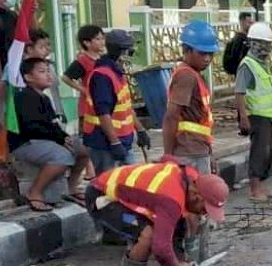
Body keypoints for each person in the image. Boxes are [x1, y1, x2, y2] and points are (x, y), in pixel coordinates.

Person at [86, 160, 228, 266]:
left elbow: (168, 158)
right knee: (148, 235)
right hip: (102, 196)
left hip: (131, 195)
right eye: (205, 208)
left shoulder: (191, 177)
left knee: (190, 218)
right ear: (195, 195)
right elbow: (160, 247)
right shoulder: (170, 200)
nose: (205, 212)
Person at [10, 58, 90, 211]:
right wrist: (59, 139)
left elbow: (53, 125)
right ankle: (35, 192)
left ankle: (71, 188)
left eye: (48, 71)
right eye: (41, 72)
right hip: (26, 143)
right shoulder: (24, 97)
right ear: (28, 77)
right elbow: (32, 127)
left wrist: (64, 137)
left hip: (45, 140)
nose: (48, 75)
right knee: (62, 157)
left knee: (84, 150)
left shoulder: (44, 98)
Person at [83, 30, 151, 172]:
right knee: (107, 186)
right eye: (129, 51)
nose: (130, 56)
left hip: (123, 139)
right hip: (104, 142)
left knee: (129, 182)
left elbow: (126, 107)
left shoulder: (117, 73)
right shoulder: (102, 76)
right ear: (122, 51)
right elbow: (103, 113)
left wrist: (140, 130)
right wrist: (114, 142)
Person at [164, 20, 218, 175]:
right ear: (187, 50)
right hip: (189, 150)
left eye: (210, 54)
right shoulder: (187, 76)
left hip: (198, 147)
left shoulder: (194, 74)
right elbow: (171, 116)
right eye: (202, 53)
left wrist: (209, 152)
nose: (207, 58)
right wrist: (168, 155)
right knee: (197, 196)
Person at [235, 22, 272, 201]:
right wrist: (243, 118)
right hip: (257, 116)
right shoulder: (247, 65)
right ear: (253, 44)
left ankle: (261, 185)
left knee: (268, 152)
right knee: (259, 152)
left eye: (268, 44)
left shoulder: (261, 64)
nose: (266, 48)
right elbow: (239, 92)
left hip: (268, 116)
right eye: (263, 44)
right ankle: (254, 189)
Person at [62, 24, 107, 180]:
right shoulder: (83, 60)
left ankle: (93, 167)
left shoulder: (102, 59)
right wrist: (82, 89)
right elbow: (66, 77)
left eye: (102, 38)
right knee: (87, 139)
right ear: (87, 43)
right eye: (98, 39)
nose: (102, 42)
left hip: (101, 106)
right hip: (87, 107)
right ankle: (89, 169)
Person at [223, 12, 254, 77]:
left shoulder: (247, 38)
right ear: (242, 22)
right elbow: (236, 58)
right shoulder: (238, 40)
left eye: (251, 22)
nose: (251, 25)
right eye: (249, 22)